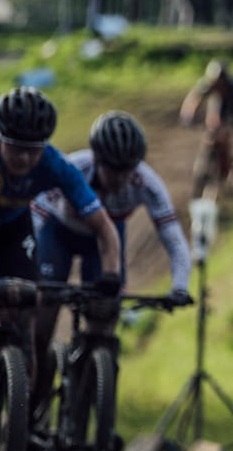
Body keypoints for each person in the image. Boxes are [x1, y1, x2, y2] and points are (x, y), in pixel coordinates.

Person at [0, 87, 122, 423]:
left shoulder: (55, 164)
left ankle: (16, 425)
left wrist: (111, 274)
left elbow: (104, 227)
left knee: (25, 322)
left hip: (9, 233)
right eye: (16, 148)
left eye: (33, 150)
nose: (24, 159)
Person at [30, 111, 194, 409]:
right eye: (113, 170)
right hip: (58, 235)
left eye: (127, 170)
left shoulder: (147, 183)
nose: (120, 178)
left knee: (105, 321)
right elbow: (34, 216)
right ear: (97, 160)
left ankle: (86, 408)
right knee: (43, 321)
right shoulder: (74, 168)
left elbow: (174, 239)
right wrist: (29, 266)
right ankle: (31, 399)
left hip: (104, 243)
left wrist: (179, 287)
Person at [180, 59, 233, 197]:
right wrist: (188, 116)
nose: (217, 85)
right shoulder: (207, 85)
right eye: (215, 82)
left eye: (220, 82)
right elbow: (193, 100)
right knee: (211, 134)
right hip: (217, 112)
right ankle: (204, 165)